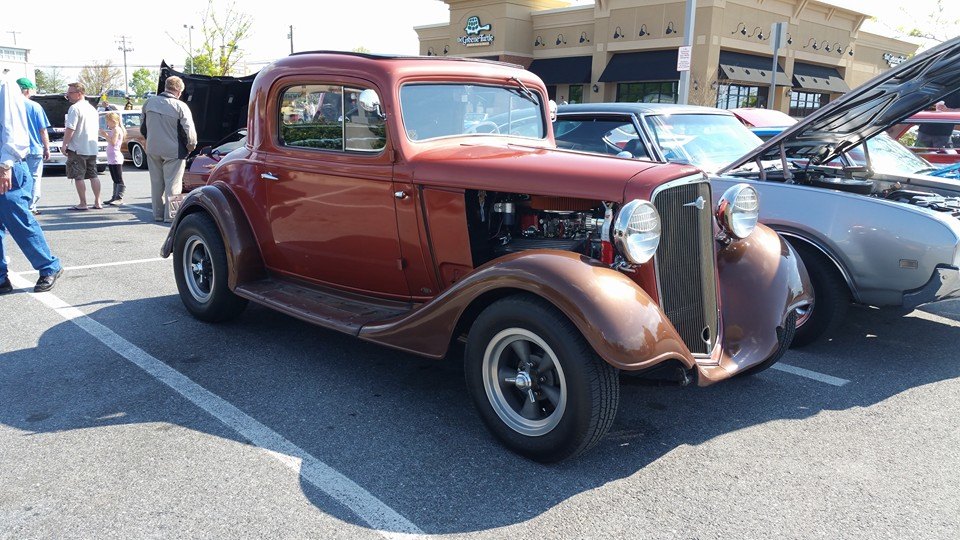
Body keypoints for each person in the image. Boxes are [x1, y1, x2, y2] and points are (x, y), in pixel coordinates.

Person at [0, 76, 63, 294]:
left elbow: (12, 127)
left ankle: (49, 266)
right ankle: (1, 278)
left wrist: (5, 164)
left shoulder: (4, 86)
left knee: (19, 221)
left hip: (7, 166)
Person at [141, 75, 196, 222]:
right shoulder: (180, 106)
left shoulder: (148, 103)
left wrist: (151, 140)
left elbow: (143, 128)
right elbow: (189, 131)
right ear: (179, 91)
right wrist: (191, 147)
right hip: (174, 150)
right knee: (173, 184)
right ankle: (171, 217)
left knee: (156, 182)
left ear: (166, 87)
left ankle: (158, 214)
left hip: (152, 148)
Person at [62, 82, 102, 210]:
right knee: (93, 175)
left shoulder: (74, 108)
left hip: (78, 148)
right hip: (92, 147)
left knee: (78, 176)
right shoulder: (92, 108)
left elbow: (70, 128)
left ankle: (83, 203)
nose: (68, 95)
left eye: (70, 93)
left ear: (79, 94)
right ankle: (97, 201)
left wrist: (65, 144)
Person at [16, 77, 50, 215]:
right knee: (34, 178)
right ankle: (31, 206)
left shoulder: (10, 106)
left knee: (18, 179)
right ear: (27, 90)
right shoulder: (35, 106)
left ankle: (19, 205)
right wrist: (47, 147)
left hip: (16, 149)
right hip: (34, 148)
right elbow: (42, 130)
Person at [100, 111, 125, 205]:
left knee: (118, 177)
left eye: (108, 121)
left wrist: (105, 135)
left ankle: (119, 197)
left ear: (113, 121)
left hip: (115, 156)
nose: (107, 124)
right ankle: (114, 196)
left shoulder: (116, 129)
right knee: (114, 178)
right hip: (111, 157)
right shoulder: (113, 129)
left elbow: (113, 142)